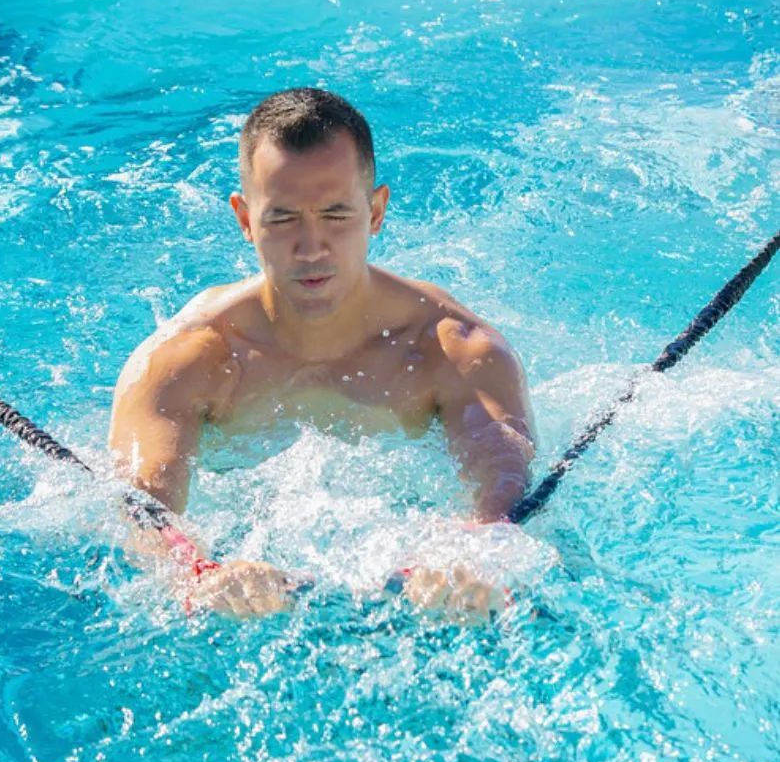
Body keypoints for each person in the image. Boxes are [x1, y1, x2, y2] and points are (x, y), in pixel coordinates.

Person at [109, 88, 535, 619]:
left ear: (376, 210)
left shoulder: (454, 351)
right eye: (282, 218)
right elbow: (142, 514)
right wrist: (200, 574)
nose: (311, 247)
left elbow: (506, 493)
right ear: (244, 219)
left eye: (336, 214)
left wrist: (472, 559)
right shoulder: (186, 361)